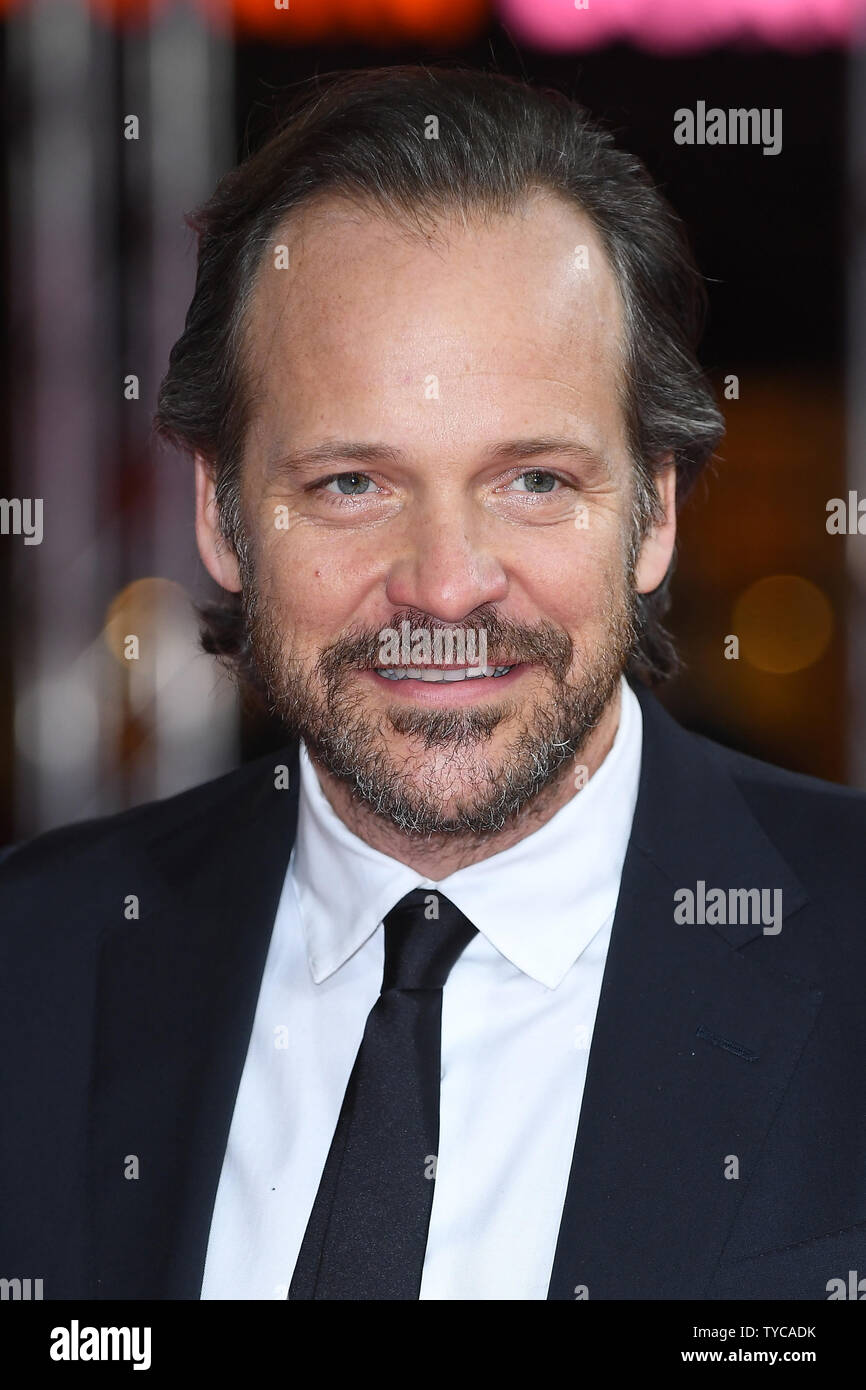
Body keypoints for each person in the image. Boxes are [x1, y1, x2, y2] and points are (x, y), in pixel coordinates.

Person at [2, 65, 864, 1302]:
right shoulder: (30, 965)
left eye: (533, 482)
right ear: (222, 511)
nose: (447, 586)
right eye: (352, 483)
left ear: (655, 511)